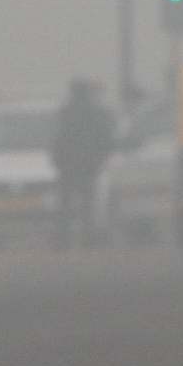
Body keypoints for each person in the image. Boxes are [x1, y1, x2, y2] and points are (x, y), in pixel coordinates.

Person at [51, 78, 117, 249]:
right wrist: (100, 159)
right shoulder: (97, 113)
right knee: (87, 203)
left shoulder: (66, 112)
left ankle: (63, 240)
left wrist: (57, 159)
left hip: (68, 164)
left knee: (65, 204)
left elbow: (58, 138)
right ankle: (87, 239)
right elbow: (105, 139)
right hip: (88, 164)